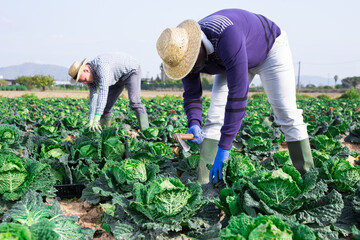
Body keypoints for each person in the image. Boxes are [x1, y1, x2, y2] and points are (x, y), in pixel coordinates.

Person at [156, 9, 314, 184]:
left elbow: (238, 95)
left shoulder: (226, 36)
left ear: (196, 47)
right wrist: (194, 123)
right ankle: (205, 183)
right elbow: (192, 94)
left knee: (286, 113)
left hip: (269, 51)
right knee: (215, 116)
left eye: (191, 64)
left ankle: (308, 177)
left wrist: (224, 148)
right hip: (230, 59)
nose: (190, 69)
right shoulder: (181, 56)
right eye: (186, 67)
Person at [68, 53, 149, 132]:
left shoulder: (101, 66)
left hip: (131, 70)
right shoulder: (89, 78)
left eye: (84, 80)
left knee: (135, 102)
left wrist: (97, 116)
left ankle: (145, 131)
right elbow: (93, 97)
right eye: (82, 82)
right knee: (106, 107)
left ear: (86, 70)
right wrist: (91, 118)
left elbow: (103, 92)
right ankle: (105, 134)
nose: (85, 83)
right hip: (116, 78)